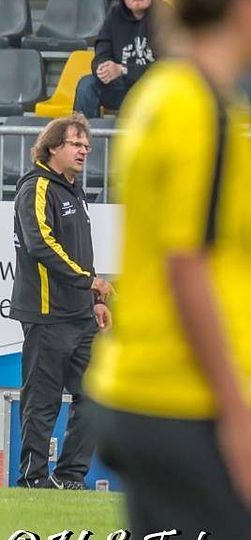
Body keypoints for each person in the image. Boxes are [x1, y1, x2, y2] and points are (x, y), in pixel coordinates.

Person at [83, 0, 251, 538]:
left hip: (154, 393)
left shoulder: (169, 96)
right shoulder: (196, 108)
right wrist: (237, 415)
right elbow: (186, 268)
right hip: (182, 398)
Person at [10, 114, 113, 490]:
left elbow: (80, 251)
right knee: (43, 400)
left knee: (95, 395)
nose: (84, 150)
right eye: (76, 144)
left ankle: (69, 476)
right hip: (47, 314)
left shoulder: (75, 191)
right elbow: (40, 244)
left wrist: (94, 298)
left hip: (81, 315)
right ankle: (33, 479)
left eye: (87, 145)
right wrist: (88, 281)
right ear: (53, 147)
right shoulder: (36, 187)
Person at [74, 0, 156, 118]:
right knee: (88, 84)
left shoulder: (166, 16)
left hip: (154, 88)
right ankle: (83, 129)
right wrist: (103, 68)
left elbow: (169, 68)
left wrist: (123, 69)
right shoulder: (115, 15)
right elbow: (101, 54)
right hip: (121, 87)